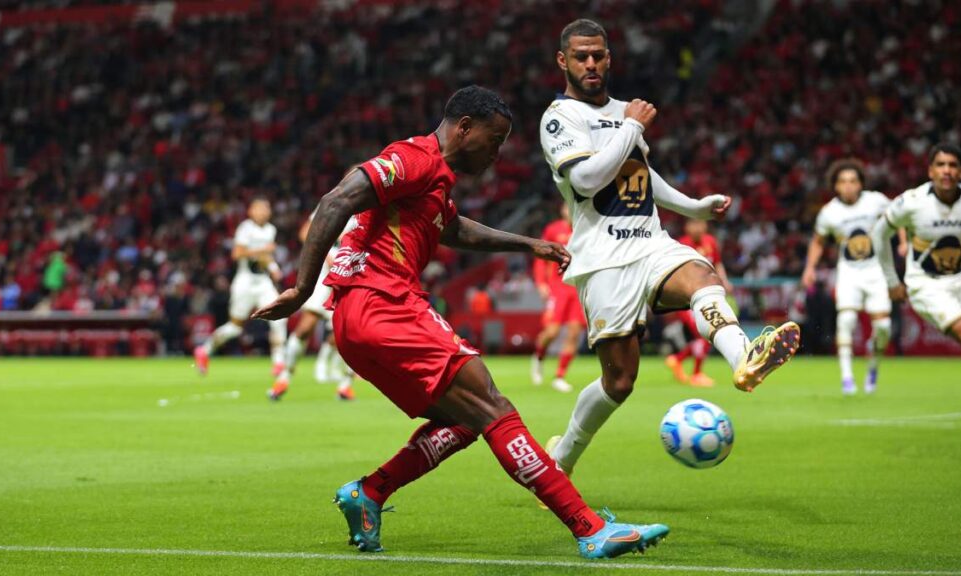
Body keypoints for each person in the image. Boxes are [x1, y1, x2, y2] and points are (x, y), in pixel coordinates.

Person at [252, 86, 668, 558]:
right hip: (383, 303)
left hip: (357, 320)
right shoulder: (415, 158)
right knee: (493, 405)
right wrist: (302, 288)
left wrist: (527, 244)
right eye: (494, 140)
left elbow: (452, 228)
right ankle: (589, 528)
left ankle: (370, 492)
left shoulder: (435, 179)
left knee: (467, 421)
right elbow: (336, 200)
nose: (496, 153)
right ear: (464, 127)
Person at [539, 19, 800, 476]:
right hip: (603, 262)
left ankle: (744, 357)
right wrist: (630, 128)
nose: (591, 63)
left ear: (609, 57)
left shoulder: (624, 111)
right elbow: (585, 180)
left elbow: (638, 173)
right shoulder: (560, 118)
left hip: (652, 242)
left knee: (702, 276)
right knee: (618, 382)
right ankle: (561, 462)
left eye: (598, 54)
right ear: (563, 61)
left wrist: (694, 208)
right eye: (581, 56)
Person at [873, 143, 961, 427]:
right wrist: (892, 281)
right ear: (930, 171)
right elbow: (879, 234)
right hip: (926, 286)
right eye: (941, 165)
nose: (947, 171)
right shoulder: (911, 202)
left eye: (952, 165)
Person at [802, 159, 902, 395]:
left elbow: (899, 218)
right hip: (848, 272)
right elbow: (818, 241)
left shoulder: (875, 201)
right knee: (846, 321)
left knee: (884, 327)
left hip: (876, 270)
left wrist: (904, 243)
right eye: (843, 182)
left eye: (853, 181)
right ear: (835, 186)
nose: (848, 186)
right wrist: (809, 268)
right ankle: (847, 378)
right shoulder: (829, 212)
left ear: (860, 184)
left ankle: (873, 367)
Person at [267, 212, 359, 402]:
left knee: (353, 333)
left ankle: (345, 386)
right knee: (304, 328)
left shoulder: (373, 204)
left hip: (355, 273)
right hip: (326, 273)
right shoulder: (337, 199)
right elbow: (305, 232)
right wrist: (325, 252)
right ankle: (284, 378)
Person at [194, 198, 287, 376]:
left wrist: (274, 268)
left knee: (280, 318)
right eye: (259, 209)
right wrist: (262, 250)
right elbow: (237, 253)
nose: (263, 212)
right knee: (235, 327)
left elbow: (265, 257)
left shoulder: (270, 229)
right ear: (251, 211)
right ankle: (204, 351)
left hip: (263, 282)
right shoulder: (245, 228)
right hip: (245, 281)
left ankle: (279, 362)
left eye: (266, 209)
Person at [664, 218, 732, 388]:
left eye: (700, 223)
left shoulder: (711, 242)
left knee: (705, 334)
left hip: (706, 296)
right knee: (706, 333)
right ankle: (696, 374)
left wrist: (724, 281)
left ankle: (677, 359)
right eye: (693, 223)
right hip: (687, 300)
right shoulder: (682, 245)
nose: (697, 227)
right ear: (687, 226)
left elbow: (717, 263)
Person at [531, 203, 585, 393]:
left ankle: (560, 376)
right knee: (552, 332)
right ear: (562, 211)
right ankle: (539, 358)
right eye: (566, 209)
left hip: (577, 288)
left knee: (574, 333)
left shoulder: (585, 229)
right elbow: (540, 257)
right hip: (557, 288)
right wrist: (541, 283)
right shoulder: (553, 230)